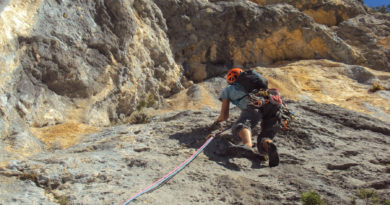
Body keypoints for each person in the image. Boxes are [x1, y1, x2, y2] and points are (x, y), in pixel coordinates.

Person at [213, 68, 282, 167]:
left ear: (230, 80)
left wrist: (216, 122)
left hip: (255, 104)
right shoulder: (255, 84)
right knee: (265, 135)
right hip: (273, 104)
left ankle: (247, 145)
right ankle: (268, 144)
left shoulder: (228, 89)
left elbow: (224, 116)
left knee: (242, 125)